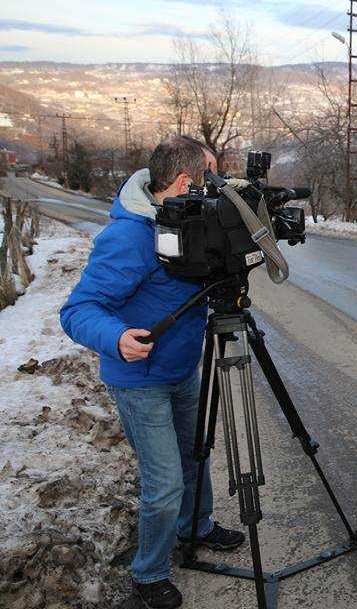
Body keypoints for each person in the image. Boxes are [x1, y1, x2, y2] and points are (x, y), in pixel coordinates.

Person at [60, 136, 243, 609]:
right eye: (209, 179)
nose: (214, 188)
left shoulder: (188, 220)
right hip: (140, 381)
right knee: (164, 485)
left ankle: (196, 527)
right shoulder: (129, 236)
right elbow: (78, 310)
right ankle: (149, 573)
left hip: (183, 369)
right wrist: (116, 337)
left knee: (195, 455)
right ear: (184, 182)